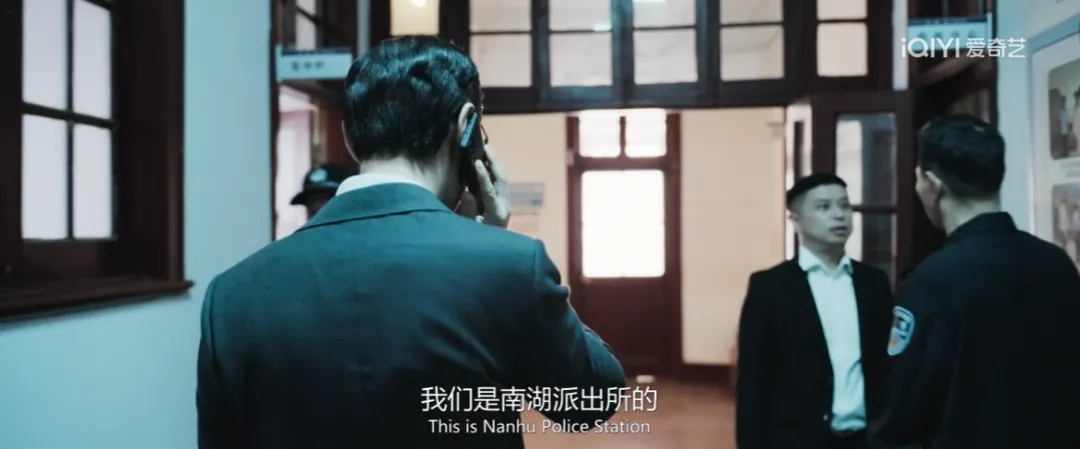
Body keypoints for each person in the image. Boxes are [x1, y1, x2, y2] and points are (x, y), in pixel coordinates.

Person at [196, 36, 626, 449]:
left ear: (349, 137)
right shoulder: (508, 265)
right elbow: (591, 401)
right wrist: (497, 249)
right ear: (467, 126)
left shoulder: (231, 295)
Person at [869, 114, 1080, 449]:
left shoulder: (933, 279)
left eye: (918, 178)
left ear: (933, 184)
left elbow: (903, 406)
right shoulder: (1057, 263)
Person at [736, 173, 894, 449]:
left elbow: (887, 367)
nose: (839, 215)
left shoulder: (873, 283)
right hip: (797, 440)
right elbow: (753, 381)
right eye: (824, 207)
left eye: (844, 205)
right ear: (796, 220)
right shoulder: (769, 287)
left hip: (866, 439)